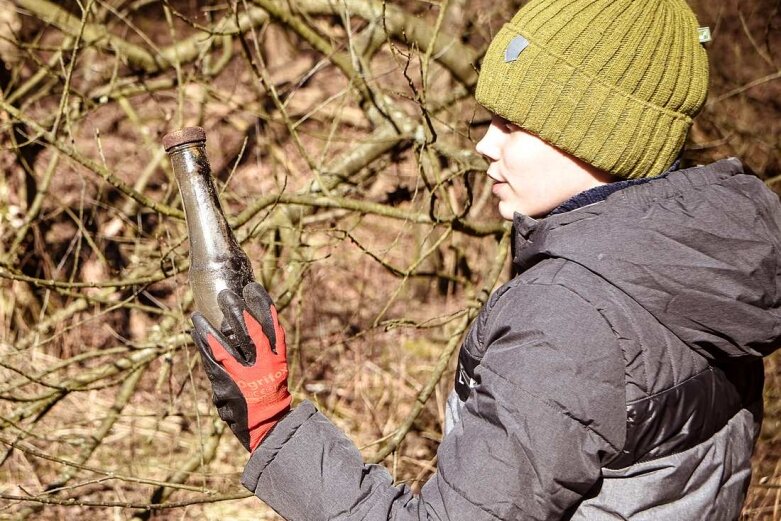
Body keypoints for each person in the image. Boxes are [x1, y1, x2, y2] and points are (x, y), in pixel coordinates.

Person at [190, 0, 781, 519]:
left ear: (598, 136)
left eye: (513, 126)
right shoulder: (702, 262)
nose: (484, 145)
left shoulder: (572, 322)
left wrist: (273, 424)